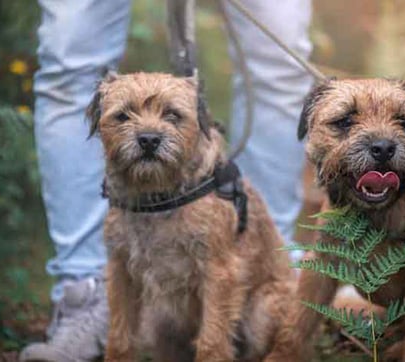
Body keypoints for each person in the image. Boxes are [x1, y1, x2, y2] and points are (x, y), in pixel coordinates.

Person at [20, 0, 313, 360]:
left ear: (200, 124)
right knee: (70, 58)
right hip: (163, 296)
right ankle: (84, 294)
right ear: (97, 123)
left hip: (243, 303)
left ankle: (284, 277)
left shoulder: (209, 197)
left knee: (278, 61)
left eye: (172, 116)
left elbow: (221, 272)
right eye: (123, 117)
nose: (148, 133)